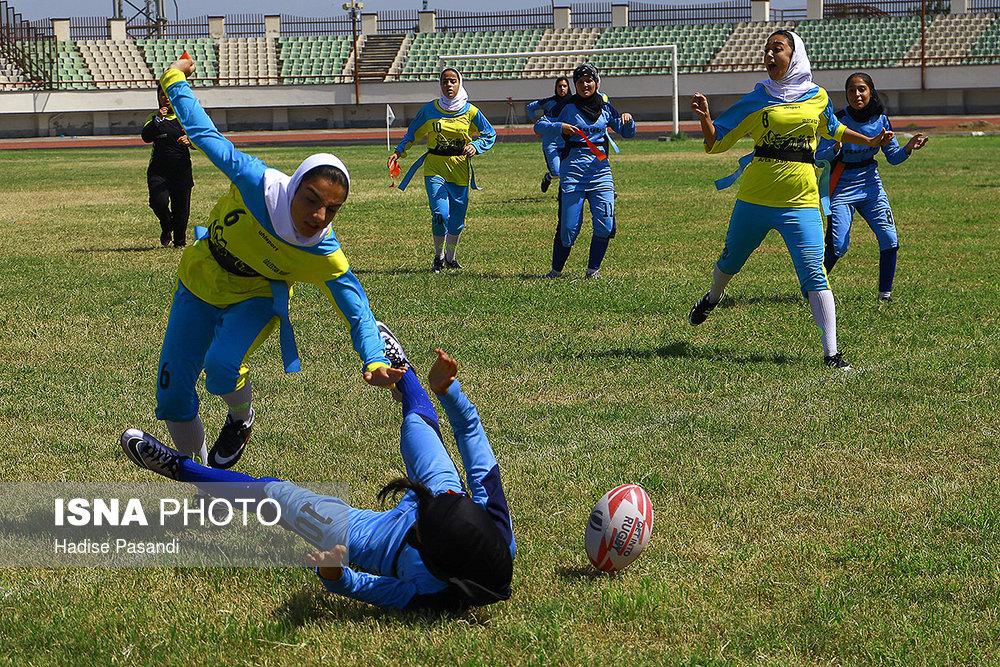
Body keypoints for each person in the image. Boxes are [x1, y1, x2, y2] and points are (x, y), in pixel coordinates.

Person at [121, 325, 515, 612]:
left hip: (379, 540)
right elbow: (469, 432)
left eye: (419, 532)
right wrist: (449, 391)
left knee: (277, 498)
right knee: (416, 427)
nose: (414, 518)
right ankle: (403, 374)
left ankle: (182, 469)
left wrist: (335, 575)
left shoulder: (431, 594)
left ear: (437, 565)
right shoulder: (493, 519)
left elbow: (368, 588)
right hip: (449, 496)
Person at [153, 57, 404, 470]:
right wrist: (175, 78)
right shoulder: (256, 182)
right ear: (293, 188)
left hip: (255, 296)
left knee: (220, 368)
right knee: (173, 398)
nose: (319, 216)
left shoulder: (323, 251)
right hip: (199, 281)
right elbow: (201, 131)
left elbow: (357, 310)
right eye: (311, 200)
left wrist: (374, 359)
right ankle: (201, 482)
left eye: (332, 209)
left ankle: (240, 418)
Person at [687, 30, 895, 370]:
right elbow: (716, 142)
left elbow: (834, 129)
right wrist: (705, 118)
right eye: (766, 49)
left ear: (794, 54)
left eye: (777, 48)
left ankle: (832, 355)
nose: (769, 55)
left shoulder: (818, 97)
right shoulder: (758, 98)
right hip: (754, 199)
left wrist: (870, 140)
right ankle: (713, 298)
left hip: (800, 201)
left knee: (815, 273)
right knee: (730, 261)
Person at [816, 72, 928, 302]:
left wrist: (908, 147)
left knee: (889, 239)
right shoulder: (836, 121)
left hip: (871, 186)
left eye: (861, 89)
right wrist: (835, 147)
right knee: (838, 245)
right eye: (851, 90)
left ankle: (884, 296)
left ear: (870, 91)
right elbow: (818, 158)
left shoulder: (881, 120)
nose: (856, 94)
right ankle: (812, 288)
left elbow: (894, 157)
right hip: (841, 186)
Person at [389, 68, 496, 273]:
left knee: (457, 221)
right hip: (435, 168)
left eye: (453, 81)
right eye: (445, 81)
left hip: (459, 169)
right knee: (440, 214)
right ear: (440, 84)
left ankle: (451, 257)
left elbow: (489, 134)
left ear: (460, 83)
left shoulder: (471, 111)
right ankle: (438, 257)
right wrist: (399, 151)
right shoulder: (429, 110)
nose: (449, 85)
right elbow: (412, 133)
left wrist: (477, 146)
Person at [533, 64, 635, 279]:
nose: (584, 85)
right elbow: (540, 126)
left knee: (606, 226)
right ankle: (555, 272)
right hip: (573, 174)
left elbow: (626, 132)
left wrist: (628, 120)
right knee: (568, 229)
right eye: (579, 82)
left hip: (601, 173)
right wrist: (559, 127)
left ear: (596, 83)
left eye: (589, 81)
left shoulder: (605, 106)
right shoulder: (567, 106)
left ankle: (592, 272)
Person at [141, 84, 194, 248]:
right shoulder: (153, 118)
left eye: (168, 95)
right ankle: (166, 225)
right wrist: (158, 119)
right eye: (162, 95)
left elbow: (200, 140)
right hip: (159, 171)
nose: (165, 98)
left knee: (181, 210)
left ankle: (180, 243)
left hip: (181, 170)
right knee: (158, 202)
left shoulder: (184, 117)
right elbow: (146, 137)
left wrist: (190, 141)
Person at [526, 76, 571, 193]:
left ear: (568, 88)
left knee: (567, 171)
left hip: (567, 142)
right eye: (559, 86)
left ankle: (563, 195)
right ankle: (548, 177)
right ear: (556, 88)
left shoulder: (572, 102)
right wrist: (536, 122)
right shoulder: (549, 102)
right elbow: (530, 107)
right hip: (550, 143)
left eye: (564, 86)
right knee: (556, 172)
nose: (562, 89)